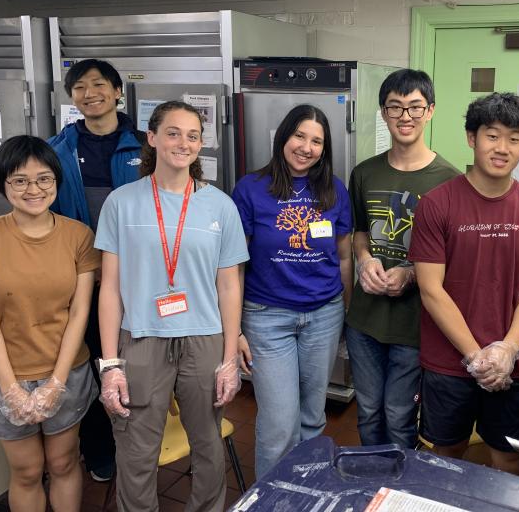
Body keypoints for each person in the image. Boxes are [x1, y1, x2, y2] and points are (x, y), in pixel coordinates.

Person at [95, 101, 248, 511]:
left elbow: (229, 287)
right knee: (136, 451)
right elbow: (109, 289)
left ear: (201, 143)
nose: (184, 142)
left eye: (193, 135)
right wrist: (110, 365)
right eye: (174, 132)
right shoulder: (121, 203)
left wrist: (229, 357)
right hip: (142, 339)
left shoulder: (220, 206)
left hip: (204, 341)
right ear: (152, 138)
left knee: (208, 447)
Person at [408, 92, 519, 475]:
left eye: (515, 138)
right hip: (450, 361)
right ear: (472, 138)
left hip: (513, 363)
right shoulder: (437, 204)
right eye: (492, 135)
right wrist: (475, 357)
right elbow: (430, 289)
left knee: (509, 456)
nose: (502, 148)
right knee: (447, 450)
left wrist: (507, 349)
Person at [0, 135, 100, 512]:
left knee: (63, 462)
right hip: (2, 375)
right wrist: (12, 390)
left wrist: (57, 382)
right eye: (20, 180)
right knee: (27, 471)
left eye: (43, 178)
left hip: (66, 369)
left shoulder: (79, 236)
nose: (34, 189)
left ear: (57, 182)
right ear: (3, 184)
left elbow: (80, 313)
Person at [232, 104, 352, 478]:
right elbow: (234, 265)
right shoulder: (251, 189)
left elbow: (345, 257)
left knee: (313, 418)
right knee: (279, 423)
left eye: (317, 141)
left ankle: (307, 491)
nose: (306, 147)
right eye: (300, 135)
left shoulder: (334, 190)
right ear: (283, 136)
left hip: (324, 314)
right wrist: (234, 329)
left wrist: (342, 312)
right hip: (267, 317)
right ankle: (271, 499)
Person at [345, 69, 458, 448]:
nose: (404, 116)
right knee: (368, 411)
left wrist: (410, 273)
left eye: (414, 107)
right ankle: (371, 484)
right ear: (383, 113)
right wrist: (364, 259)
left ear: (430, 112)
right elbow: (360, 231)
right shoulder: (364, 173)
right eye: (395, 107)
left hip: (415, 323)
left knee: (399, 415)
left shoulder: (450, 182)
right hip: (365, 319)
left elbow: (451, 257)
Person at [48, 58, 144, 482]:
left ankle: (141, 447)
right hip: (81, 282)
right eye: (80, 87)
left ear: (118, 91)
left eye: (99, 84)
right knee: (91, 368)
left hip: (139, 280)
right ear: (72, 97)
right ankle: (100, 451)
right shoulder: (56, 151)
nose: (90, 93)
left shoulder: (146, 146)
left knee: (141, 367)